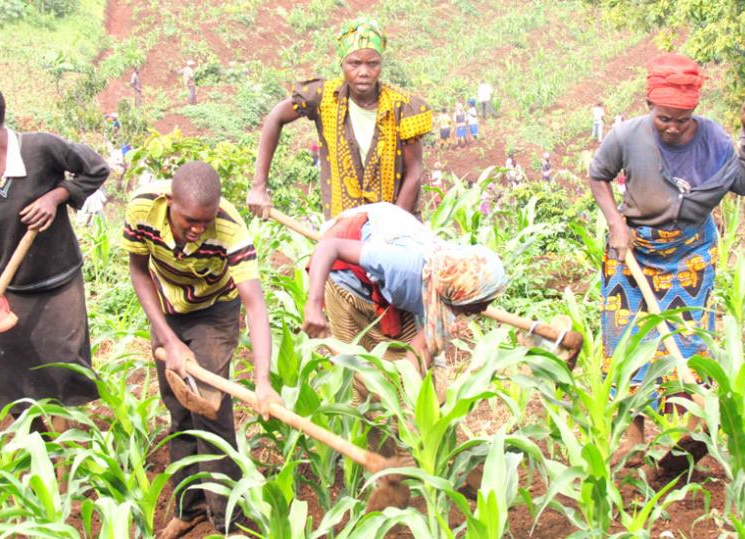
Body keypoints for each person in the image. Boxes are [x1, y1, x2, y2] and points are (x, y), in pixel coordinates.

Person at [588, 53, 745, 463]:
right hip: (634, 250)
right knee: (626, 342)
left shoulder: (713, 139)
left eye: (680, 120)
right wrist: (616, 223)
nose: (671, 126)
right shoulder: (628, 136)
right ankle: (632, 437)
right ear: (650, 107)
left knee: (687, 344)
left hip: (690, 255)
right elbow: (598, 175)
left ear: (694, 113)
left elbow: (744, 181)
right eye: (663, 118)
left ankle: (685, 439)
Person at [123, 161, 281, 537]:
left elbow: (256, 305)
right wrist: (170, 341)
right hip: (167, 309)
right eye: (189, 220)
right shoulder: (142, 207)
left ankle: (230, 522)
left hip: (215, 311)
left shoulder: (228, 228)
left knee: (210, 410)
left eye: (204, 222)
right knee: (178, 411)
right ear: (168, 202)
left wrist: (262, 382)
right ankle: (189, 508)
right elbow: (138, 270)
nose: (197, 230)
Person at [0, 80, 107, 421]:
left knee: (62, 376)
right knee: (14, 386)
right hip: (12, 292)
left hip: (60, 285)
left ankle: (65, 460)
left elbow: (96, 168)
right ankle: (38, 450)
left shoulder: (40, 148)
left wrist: (57, 196)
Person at [247, 18, 432, 220]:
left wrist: (392, 226)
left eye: (373, 64)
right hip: (342, 222)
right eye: (354, 63)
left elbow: (414, 172)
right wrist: (258, 186)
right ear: (341, 63)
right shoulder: (324, 96)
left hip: (395, 223)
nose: (364, 72)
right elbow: (276, 116)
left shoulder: (402, 106)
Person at [302, 202, 507, 380]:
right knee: (358, 371)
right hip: (348, 273)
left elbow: (418, 354)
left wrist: (412, 407)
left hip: (390, 280)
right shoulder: (406, 266)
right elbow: (329, 247)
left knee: (402, 371)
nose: (484, 309)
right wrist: (313, 306)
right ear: (464, 293)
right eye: (483, 301)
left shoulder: (447, 294)